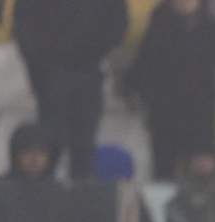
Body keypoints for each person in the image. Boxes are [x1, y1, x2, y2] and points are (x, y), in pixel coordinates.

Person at [125, 0, 215, 179]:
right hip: (166, 112)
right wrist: (134, 88)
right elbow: (144, 64)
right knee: (165, 170)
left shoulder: (212, 28)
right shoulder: (158, 27)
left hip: (199, 112)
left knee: (201, 171)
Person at [12, 0, 128, 179]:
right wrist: (41, 67)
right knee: (49, 143)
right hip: (50, 75)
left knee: (84, 144)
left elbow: (118, 24)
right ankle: (44, 191)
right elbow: (23, 27)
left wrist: (92, 52)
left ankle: (81, 192)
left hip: (88, 72)